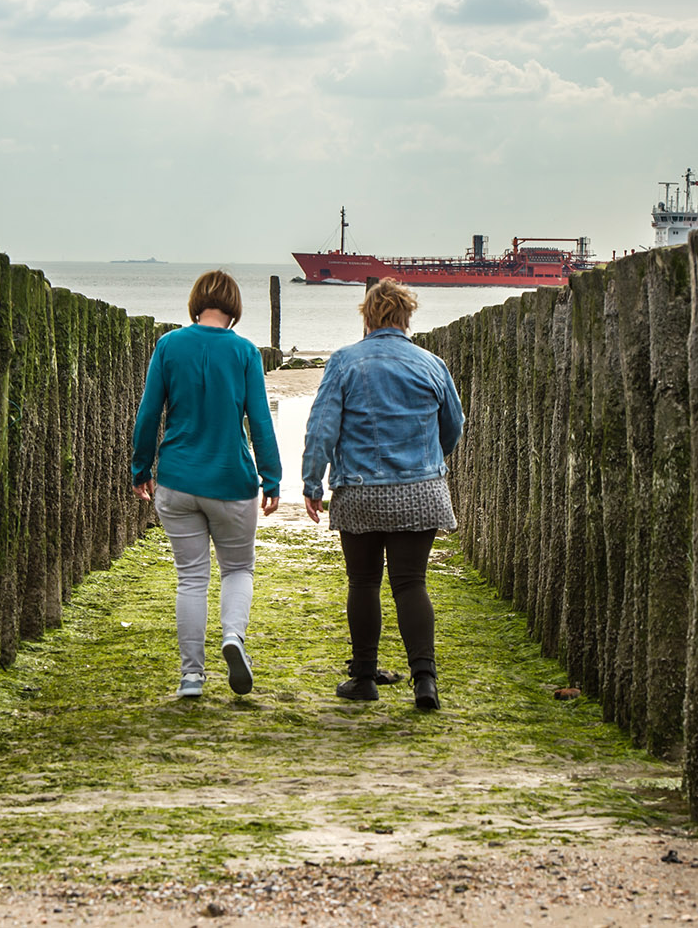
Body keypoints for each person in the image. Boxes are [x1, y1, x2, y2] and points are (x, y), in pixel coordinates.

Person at [300, 278, 464, 710]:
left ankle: (364, 677)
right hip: (421, 491)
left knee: (364, 581)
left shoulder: (345, 363)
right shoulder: (432, 364)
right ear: (407, 317)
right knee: (411, 583)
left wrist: (312, 482)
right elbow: (454, 426)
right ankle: (425, 681)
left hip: (360, 491)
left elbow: (322, 428)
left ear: (367, 316)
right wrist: (427, 459)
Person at [132, 270, 280, 699]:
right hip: (231, 480)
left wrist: (141, 469)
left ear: (196, 302)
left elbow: (148, 415)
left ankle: (191, 677)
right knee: (237, 569)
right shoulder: (245, 351)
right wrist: (272, 476)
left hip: (177, 479)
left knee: (191, 578)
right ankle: (233, 637)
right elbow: (260, 419)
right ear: (233, 308)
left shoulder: (168, 346)